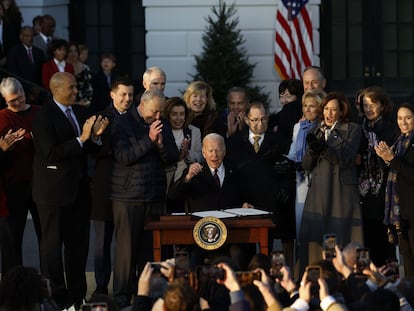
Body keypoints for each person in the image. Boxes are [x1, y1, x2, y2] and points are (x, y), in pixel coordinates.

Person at [32, 72, 109, 309]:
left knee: (78, 248)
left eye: (76, 87)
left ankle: (77, 297)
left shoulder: (80, 112)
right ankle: (55, 298)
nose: (76, 91)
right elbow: (50, 153)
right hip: (52, 195)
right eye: (72, 87)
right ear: (56, 89)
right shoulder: (44, 116)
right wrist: (82, 138)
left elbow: (88, 149)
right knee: (52, 249)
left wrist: (94, 139)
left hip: (79, 193)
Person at [110, 89, 178, 308]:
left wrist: (160, 145)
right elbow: (123, 157)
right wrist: (149, 140)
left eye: (161, 112)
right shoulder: (122, 123)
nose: (158, 116)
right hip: (128, 197)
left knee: (150, 252)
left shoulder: (162, 123)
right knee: (126, 253)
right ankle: (121, 298)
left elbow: (172, 158)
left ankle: (149, 296)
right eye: (154, 111)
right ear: (142, 104)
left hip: (154, 196)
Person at [298, 92, 363, 275]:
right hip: (318, 193)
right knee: (316, 242)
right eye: (326, 109)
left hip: (340, 193)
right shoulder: (315, 130)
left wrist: (325, 147)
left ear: (341, 111)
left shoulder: (352, 129)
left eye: (334, 109)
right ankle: (316, 277)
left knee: (341, 237)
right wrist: (312, 150)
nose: (329, 113)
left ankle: (347, 277)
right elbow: (306, 165)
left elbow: (346, 158)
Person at [90, 76, 134, 297]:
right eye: (123, 94)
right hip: (105, 189)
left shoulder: (136, 117)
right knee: (102, 242)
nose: (127, 99)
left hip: (130, 190)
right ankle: (100, 286)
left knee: (125, 242)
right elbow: (91, 151)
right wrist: (96, 139)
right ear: (112, 94)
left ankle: (125, 286)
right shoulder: (101, 117)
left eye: (130, 95)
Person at [0, 77, 42, 275]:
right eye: (11, 101)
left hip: (39, 181)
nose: (17, 103)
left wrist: (25, 138)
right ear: (5, 101)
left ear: (25, 94)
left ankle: (49, 283)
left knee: (46, 237)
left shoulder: (38, 112)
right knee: (12, 240)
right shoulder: (2, 117)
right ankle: (12, 285)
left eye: (19, 98)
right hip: (13, 185)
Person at [357, 86, 397, 266]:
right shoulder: (358, 128)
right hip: (362, 193)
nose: (369, 108)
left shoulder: (391, 129)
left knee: (384, 244)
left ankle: (388, 282)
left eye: (373, 104)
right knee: (366, 242)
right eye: (365, 105)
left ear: (382, 105)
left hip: (384, 192)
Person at [375, 103, 414, 277]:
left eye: (408, 118)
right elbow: (395, 173)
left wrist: (393, 160)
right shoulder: (398, 142)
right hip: (400, 214)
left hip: (412, 211)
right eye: (400, 118)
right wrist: (386, 159)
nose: (403, 123)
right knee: (407, 260)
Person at [168, 133, 244, 213]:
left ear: (224, 151)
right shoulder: (193, 172)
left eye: (218, 150)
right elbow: (172, 196)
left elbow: (241, 197)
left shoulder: (234, 172)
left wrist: (243, 204)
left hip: (229, 222)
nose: (214, 155)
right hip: (202, 223)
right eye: (210, 151)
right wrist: (187, 178)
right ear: (204, 153)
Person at [287, 89, 326, 238]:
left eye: (312, 106)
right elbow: (292, 154)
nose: (307, 109)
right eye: (305, 105)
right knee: (302, 224)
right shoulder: (298, 127)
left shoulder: (324, 127)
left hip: (319, 179)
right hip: (301, 180)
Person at [163, 96, 202, 212]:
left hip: (186, 182)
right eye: (174, 114)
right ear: (168, 115)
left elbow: (200, 156)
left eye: (181, 114)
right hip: (167, 180)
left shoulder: (194, 131)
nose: (178, 118)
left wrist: (186, 153)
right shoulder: (163, 130)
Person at [269, 79, 304, 147]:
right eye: (281, 96)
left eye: (288, 97)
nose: (284, 101)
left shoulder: (291, 110)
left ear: (298, 96)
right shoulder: (282, 113)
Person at [66, 41, 93, 106]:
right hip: (66, 103)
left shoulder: (85, 68)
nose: (73, 53)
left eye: (75, 51)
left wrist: (86, 102)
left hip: (83, 104)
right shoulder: (62, 67)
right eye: (70, 51)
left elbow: (89, 88)